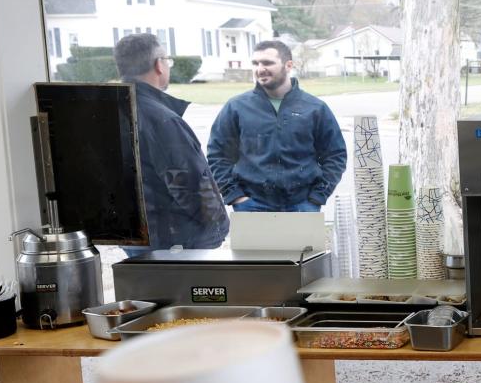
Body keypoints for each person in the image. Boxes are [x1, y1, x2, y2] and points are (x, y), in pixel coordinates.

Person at [112, 33, 229, 254]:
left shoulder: (108, 110)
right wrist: (217, 229)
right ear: (159, 65)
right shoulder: (161, 119)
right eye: (167, 60)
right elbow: (190, 183)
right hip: (173, 241)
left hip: (133, 235)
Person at [207, 40, 347, 212]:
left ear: (288, 65)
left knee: (303, 241)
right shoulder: (236, 107)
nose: (259, 69)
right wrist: (235, 195)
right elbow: (217, 155)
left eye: (267, 63)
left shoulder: (315, 108)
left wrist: (318, 196)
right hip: (251, 205)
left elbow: (335, 155)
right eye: (255, 63)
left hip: (303, 205)